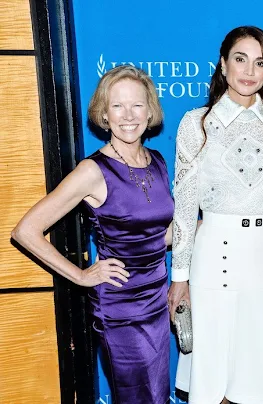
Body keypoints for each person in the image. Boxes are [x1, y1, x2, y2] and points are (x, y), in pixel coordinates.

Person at [11, 65, 174, 403]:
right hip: (120, 308)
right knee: (136, 397)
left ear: (150, 110)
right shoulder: (92, 170)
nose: (128, 115)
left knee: (156, 395)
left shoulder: (157, 161)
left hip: (157, 300)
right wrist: (82, 275)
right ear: (104, 113)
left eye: (137, 105)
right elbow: (26, 231)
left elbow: (161, 236)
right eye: (117, 106)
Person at [167, 26, 263, 404]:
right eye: (240, 59)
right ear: (223, 64)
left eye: (259, 63)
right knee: (216, 378)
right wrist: (180, 276)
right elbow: (185, 206)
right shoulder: (197, 124)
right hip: (214, 260)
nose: (248, 71)